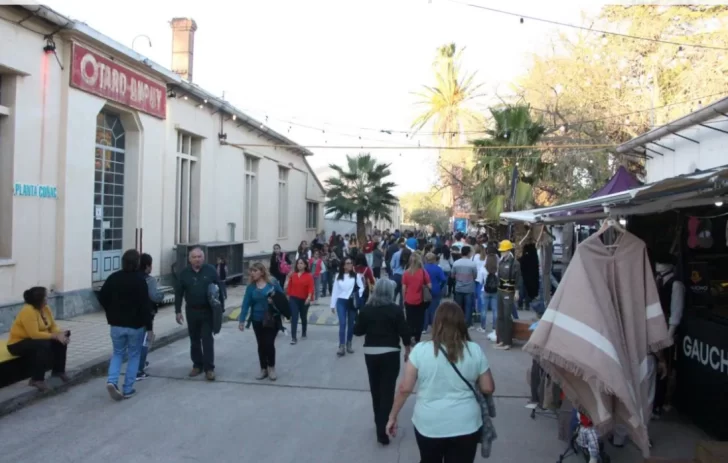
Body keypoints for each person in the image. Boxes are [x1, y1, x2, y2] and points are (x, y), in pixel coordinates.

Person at [386, 301, 495, 463]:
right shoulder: (474, 350)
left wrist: (393, 416)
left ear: (436, 323)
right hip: (466, 424)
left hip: (429, 424)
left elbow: (405, 388)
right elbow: (488, 387)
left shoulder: (420, 351)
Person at [353, 279, 412, 445]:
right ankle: (383, 428)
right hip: (390, 352)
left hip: (371, 353)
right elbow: (404, 332)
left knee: (375, 389)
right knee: (387, 390)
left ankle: (378, 421)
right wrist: (407, 349)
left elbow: (357, 331)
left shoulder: (367, 309)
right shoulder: (395, 309)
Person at [99, 249, 153, 400]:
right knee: (134, 355)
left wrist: (110, 311)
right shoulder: (140, 281)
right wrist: (149, 327)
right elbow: (145, 306)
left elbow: (102, 296)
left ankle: (112, 381)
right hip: (136, 326)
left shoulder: (113, 277)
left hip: (116, 324)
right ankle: (128, 388)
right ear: (137, 263)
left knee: (117, 353)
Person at [6, 286, 69, 392]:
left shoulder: (45, 308)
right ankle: (36, 379)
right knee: (43, 344)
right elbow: (34, 334)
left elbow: (52, 326)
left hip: (35, 340)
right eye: (45, 296)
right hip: (17, 344)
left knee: (62, 339)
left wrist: (60, 334)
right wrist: (54, 336)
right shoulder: (28, 311)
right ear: (39, 299)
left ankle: (58, 371)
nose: (47, 298)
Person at [174, 246, 221, 381]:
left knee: (207, 339)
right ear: (190, 259)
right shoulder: (184, 273)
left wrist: (220, 309)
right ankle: (197, 365)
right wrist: (178, 311)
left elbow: (219, 289)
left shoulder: (210, 271)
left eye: (199, 257)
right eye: (194, 257)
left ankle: (209, 368)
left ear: (203, 258)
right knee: (194, 340)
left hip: (207, 311)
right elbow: (178, 294)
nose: (197, 259)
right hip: (192, 311)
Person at [239, 263, 286, 380]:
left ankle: (271, 367)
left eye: (255, 271)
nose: (252, 273)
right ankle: (263, 369)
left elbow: (282, 298)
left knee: (269, 343)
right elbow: (246, 304)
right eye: (251, 271)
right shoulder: (251, 287)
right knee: (261, 344)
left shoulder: (272, 283)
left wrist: (273, 301)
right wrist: (242, 320)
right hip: (257, 319)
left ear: (262, 272)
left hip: (272, 319)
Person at [137, 253, 165, 380]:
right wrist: (161, 296)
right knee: (145, 340)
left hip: (131, 315)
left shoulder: (132, 277)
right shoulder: (150, 280)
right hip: (147, 314)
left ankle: (138, 363)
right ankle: (139, 369)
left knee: (135, 341)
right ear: (147, 266)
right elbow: (154, 296)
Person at [330, 257, 365, 356]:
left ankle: (349, 343)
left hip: (352, 302)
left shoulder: (356, 276)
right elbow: (335, 291)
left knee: (351, 324)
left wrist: (357, 295)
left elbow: (361, 287)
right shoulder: (338, 276)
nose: (350, 265)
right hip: (341, 302)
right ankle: (341, 346)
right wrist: (332, 304)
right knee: (342, 323)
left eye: (351, 263)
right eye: (348, 263)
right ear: (343, 265)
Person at [495, 240, 521, 350]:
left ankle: (508, 342)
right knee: (500, 316)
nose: (502, 252)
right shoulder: (501, 262)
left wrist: (517, 291)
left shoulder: (515, 263)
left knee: (507, 316)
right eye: (501, 251)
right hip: (500, 291)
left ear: (508, 250)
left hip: (509, 291)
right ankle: (501, 340)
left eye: (503, 251)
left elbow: (518, 279)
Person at [402, 252, 432, 344]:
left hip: (409, 299)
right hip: (420, 300)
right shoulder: (423, 272)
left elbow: (404, 288)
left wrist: (404, 299)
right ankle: (417, 338)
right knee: (419, 320)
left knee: (409, 320)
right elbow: (430, 286)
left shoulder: (406, 273)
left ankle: (410, 336)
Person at [286, 258, 314, 344]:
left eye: (301, 263)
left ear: (305, 265)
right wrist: (288, 296)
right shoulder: (293, 275)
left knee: (303, 317)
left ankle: (304, 332)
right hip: (294, 299)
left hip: (304, 300)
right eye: (298, 263)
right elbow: (289, 286)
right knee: (294, 317)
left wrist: (309, 297)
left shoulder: (309, 276)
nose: (299, 265)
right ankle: (293, 337)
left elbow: (311, 288)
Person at [452, 246, 478, 328]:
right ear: (469, 253)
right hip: (469, 288)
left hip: (458, 287)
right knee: (468, 306)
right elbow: (475, 276)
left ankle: (458, 322)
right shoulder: (472, 264)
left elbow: (452, 275)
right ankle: (467, 323)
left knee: (458, 306)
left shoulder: (456, 263)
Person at [423, 252, 447, 333]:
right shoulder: (438, 268)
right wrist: (440, 287)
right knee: (435, 309)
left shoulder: (423, 268)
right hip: (436, 289)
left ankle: (424, 327)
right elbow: (443, 279)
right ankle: (435, 326)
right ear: (434, 259)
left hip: (425, 290)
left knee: (425, 309)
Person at [479, 252, 499, 335]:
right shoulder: (498, 269)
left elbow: (480, 281)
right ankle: (494, 328)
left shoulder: (483, 269)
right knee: (495, 310)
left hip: (485, 290)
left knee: (484, 310)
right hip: (496, 291)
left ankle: (483, 327)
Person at [389, 238, 407, 309]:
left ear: (399, 247)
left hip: (396, 275)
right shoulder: (408, 254)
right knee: (402, 294)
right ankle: (401, 309)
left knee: (394, 292)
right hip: (404, 275)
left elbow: (392, 265)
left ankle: (392, 307)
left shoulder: (395, 254)